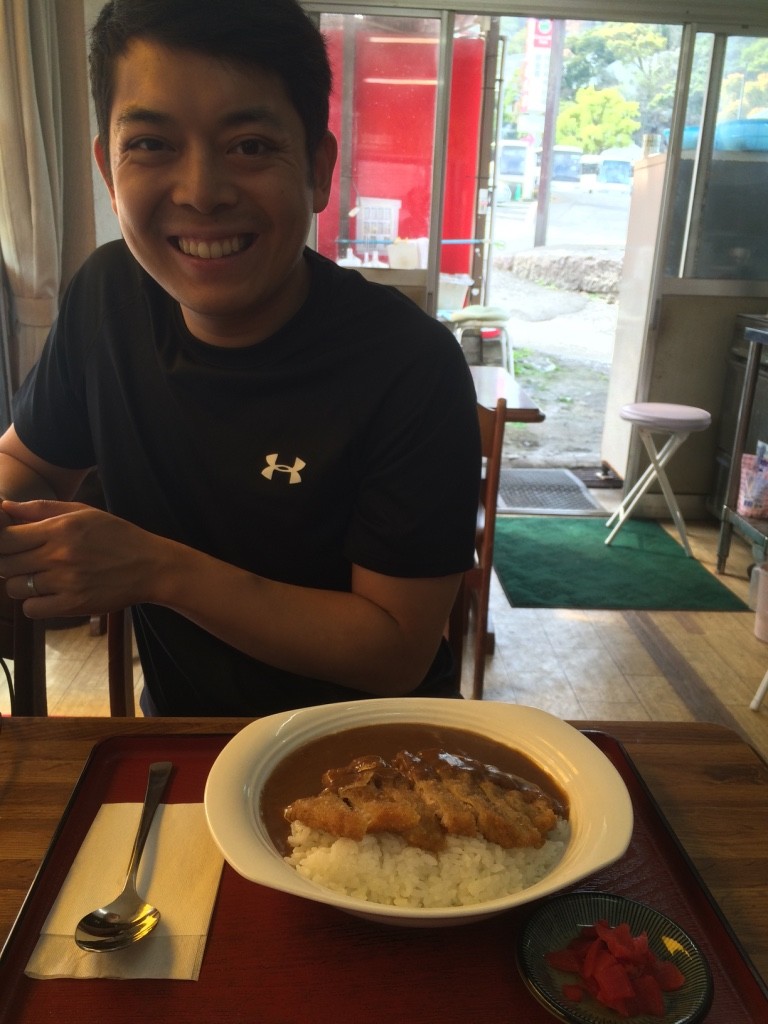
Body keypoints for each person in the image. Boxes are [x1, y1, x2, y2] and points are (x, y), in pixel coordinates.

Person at [0, 0, 480, 716]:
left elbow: (396, 647)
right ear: (108, 166)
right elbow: (32, 461)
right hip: (180, 747)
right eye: (152, 144)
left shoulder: (409, 365)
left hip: (370, 759)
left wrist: (159, 570)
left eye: (250, 145)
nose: (201, 193)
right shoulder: (106, 299)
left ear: (318, 168)